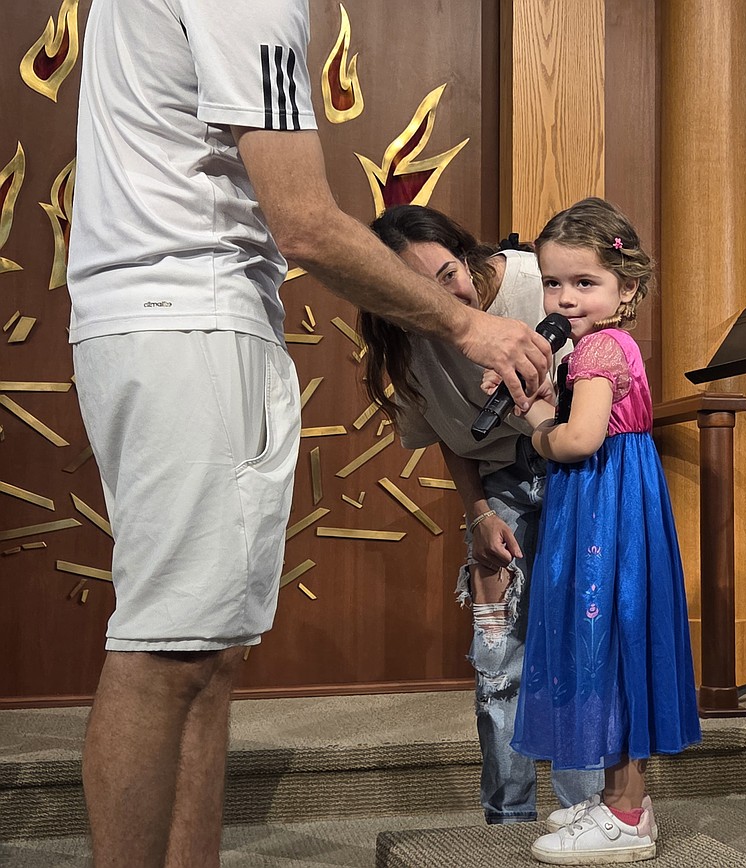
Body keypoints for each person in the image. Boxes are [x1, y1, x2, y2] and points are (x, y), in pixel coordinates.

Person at [66, 3, 552, 866]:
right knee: (167, 649)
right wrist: (467, 326)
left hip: (169, 318)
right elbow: (303, 219)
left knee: (206, 654)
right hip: (192, 317)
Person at [358, 204, 602, 825]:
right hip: (500, 486)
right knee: (498, 657)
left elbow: (606, 370)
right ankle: (507, 818)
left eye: (448, 273)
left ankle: (583, 812)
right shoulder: (407, 342)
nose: (447, 294)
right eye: (417, 290)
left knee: (576, 646)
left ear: (463, 251)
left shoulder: (533, 281)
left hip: (576, 475)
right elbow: (449, 432)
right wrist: (478, 514)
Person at [498, 198, 702, 863]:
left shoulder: (601, 349)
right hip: (608, 504)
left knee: (605, 644)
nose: (563, 297)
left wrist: (536, 427)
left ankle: (625, 812)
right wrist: (541, 402)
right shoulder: (596, 347)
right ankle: (620, 799)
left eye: (585, 283)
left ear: (627, 287)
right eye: (553, 282)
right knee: (609, 642)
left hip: (604, 513)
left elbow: (580, 440)